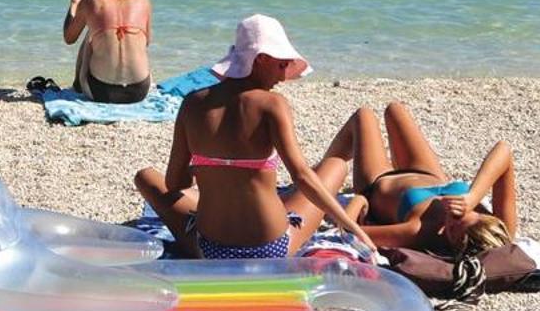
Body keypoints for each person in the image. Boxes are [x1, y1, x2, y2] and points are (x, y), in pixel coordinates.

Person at [133, 15, 377, 260]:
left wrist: (213, 172)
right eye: (282, 65)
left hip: (210, 249)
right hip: (269, 249)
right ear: (260, 59)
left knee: (146, 177)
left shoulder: (192, 103)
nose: (283, 78)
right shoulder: (271, 104)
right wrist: (351, 227)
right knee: (334, 165)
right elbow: (302, 176)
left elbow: (176, 184)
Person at [353, 102, 518, 256]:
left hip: (379, 181)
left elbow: (352, 232)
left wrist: (359, 201)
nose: (451, 216)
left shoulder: (419, 232)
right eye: (461, 215)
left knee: (364, 115)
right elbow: (504, 151)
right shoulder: (501, 231)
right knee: (395, 109)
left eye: (452, 230)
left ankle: (327, 177)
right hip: (429, 174)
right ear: (483, 218)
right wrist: (473, 197)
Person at [63, 0, 153, 103]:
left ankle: (78, 84)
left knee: (91, 32)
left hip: (102, 92)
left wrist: (74, 4)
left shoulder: (90, 2)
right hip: (139, 91)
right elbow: (147, 42)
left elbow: (69, 38)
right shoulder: (143, 2)